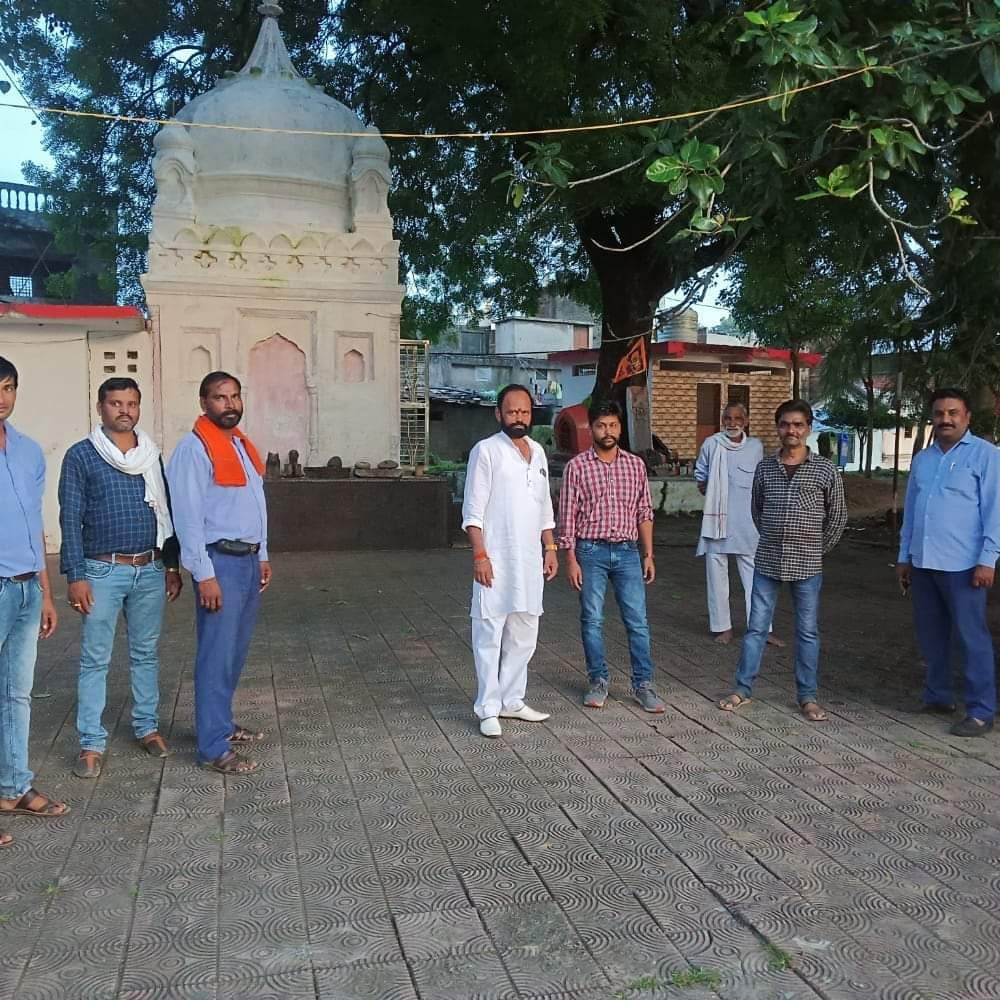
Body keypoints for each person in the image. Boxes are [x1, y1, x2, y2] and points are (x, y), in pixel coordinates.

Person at [59, 378, 183, 779]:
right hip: (101, 571)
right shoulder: (82, 455)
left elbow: (166, 511)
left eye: (131, 403)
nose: (124, 410)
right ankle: (91, 742)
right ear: (100, 408)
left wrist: (171, 566)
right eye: (116, 403)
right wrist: (76, 576)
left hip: (149, 569)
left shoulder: (150, 454)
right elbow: (70, 519)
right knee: (95, 659)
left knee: (145, 654)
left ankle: (146, 727)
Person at [167, 372, 272, 772]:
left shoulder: (240, 445)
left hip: (246, 560)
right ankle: (212, 747)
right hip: (219, 562)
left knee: (234, 651)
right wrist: (203, 573)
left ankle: (222, 724)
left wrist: (263, 553)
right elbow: (187, 517)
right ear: (203, 403)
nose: (229, 404)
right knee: (216, 652)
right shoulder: (194, 450)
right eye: (220, 397)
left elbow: (255, 504)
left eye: (234, 396)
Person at [719, 399, 847, 721]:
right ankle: (742, 689)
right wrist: (773, 536)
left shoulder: (825, 470)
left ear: (808, 429)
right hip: (768, 560)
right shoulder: (765, 468)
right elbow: (757, 509)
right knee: (756, 629)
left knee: (807, 632)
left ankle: (807, 696)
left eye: (798, 425)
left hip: (808, 565)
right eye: (786, 424)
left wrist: (817, 549)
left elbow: (837, 517)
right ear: (778, 428)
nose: (792, 430)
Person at [896, 387, 1000, 737]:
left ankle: (981, 711)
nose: (946, 419)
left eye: (953, 413)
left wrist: (988, 560)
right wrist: (904, 556)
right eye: (940, 413)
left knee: (972, 638)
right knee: (931, 635)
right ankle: (938, 696)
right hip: (924, 562)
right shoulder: (923, 459)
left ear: (967, 417)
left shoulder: (986, 456)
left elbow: (995, 512)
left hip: (965, 566)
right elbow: (912, 511)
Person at [462, 384, 559, 737]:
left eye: (525, 412)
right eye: (512, 411)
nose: (519, 417)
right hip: (495, 559)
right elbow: (473, 511)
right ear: (498, 414)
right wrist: (480, 555)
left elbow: (544, 507)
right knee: (489, 633)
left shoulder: (538, 452)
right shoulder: (486, 451)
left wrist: (550, 548)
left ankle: (512, 700)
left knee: (525, 633)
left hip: (530, 561)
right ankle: (488, 707)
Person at [558, 400, 666, 713]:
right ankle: (598, 681)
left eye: (614, 425)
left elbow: (644, 511)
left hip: (628, 552)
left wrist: (648, 554)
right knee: (592, 619)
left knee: (638, 621)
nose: (608, 431)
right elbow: (567, 515)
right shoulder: (577, 467)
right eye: (602, 426)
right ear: (591, 428)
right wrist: (570, 559)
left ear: (621, 428)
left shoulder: (635, 466)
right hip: (590, 551)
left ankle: (644, 684)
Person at [0, 356, 68, 845]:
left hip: (25, 589)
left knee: (17, 694)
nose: (2, 398)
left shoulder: (27, 450)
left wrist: (45, 592)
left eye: (9, 388)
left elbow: (33, 525)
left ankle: (12, 788)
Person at [694, 402, 780, 645]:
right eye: (728, 418)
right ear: (723, 420)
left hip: (748, 523)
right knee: (716, 578)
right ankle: (722, 628)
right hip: (716, 523)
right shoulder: (711, 444)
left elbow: (761, 480)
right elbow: (701, 476)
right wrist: (714, 494)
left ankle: (762, 629)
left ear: (747, 421)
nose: (732, 423)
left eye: (738, 418)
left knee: (755, 579)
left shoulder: (755, 447)